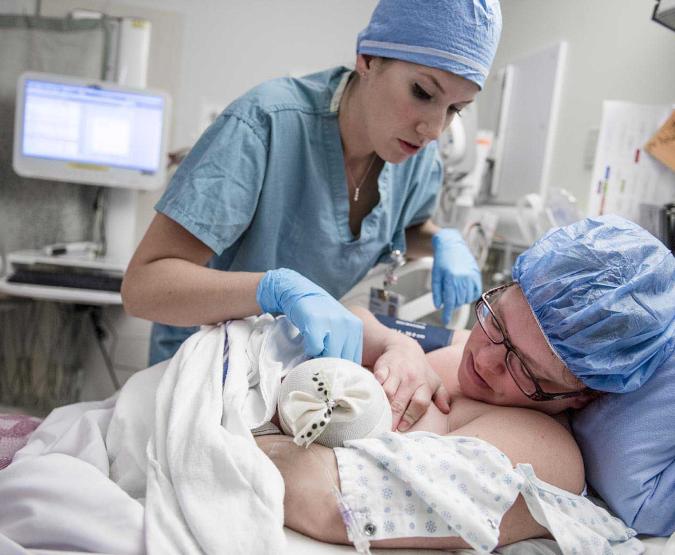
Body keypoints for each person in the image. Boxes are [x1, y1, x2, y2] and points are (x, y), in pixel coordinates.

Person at [121, 0, 501, 380]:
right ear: (367, 59)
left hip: (289, 375)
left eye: (456, 109)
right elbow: (144, 287)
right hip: (198, 371)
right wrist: (271, 289)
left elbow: (406, 224)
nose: (434, 130)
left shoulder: (416, 156)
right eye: (422, 92)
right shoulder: (265, 125)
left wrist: (441, 240)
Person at [254, 214, 675, 550]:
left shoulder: (541, 452)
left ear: (580, 397)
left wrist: (230, 430)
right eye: (497, 319)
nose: (487, 360)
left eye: (524, 370)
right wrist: (396, 345)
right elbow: (356, 318)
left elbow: (334, 499)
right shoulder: (467, 348)